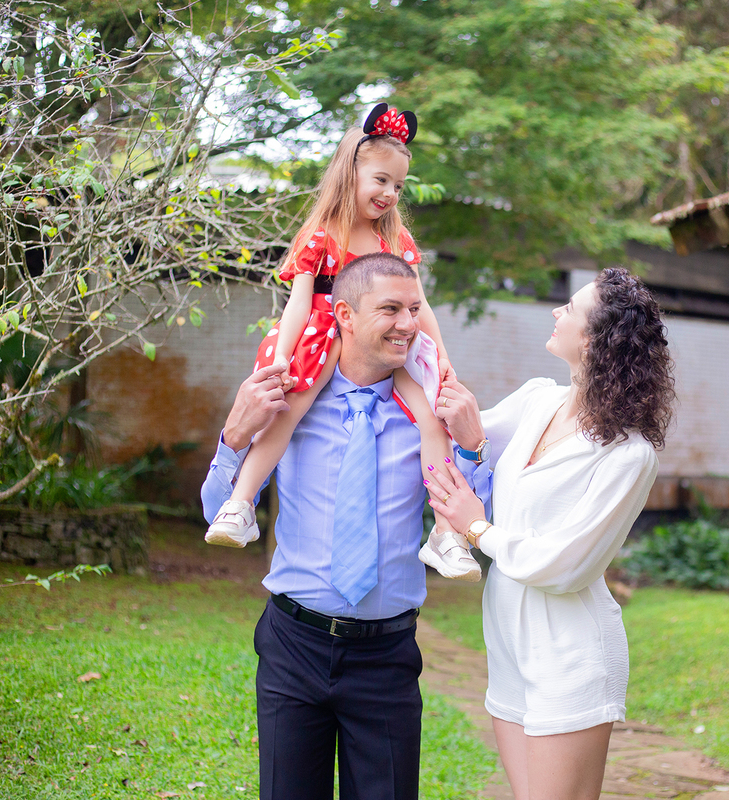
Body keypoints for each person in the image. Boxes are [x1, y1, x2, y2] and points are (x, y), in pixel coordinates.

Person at [201, 252, 492, 800]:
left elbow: (480, 520)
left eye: (414, 309)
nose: (408, 324)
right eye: (390, 309)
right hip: (292, 646)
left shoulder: (430, 412)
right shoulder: (289, 402)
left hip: (387, 657)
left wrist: (474, 446)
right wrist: (233, 437)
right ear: (344, 315)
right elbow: (215, 512)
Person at [421, 268, 676, 800]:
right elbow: (456, 430)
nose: (556, 312)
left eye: (570, 308)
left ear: (594, 339)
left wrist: (477, 527)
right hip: (509, 645)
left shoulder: (629, 455)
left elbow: (567, 566)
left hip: (570, 655)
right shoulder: (538, 400)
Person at [205, 103, 479, 583]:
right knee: (287, 408)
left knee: (432, 417)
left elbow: (421, 306)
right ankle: (240, 503)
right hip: (323, 333)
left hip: (388, 340)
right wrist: (282, 357)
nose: (390, 193)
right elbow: (298, 304)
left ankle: (444, 531)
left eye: (398, 186)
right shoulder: (321, 235)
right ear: (350, 173)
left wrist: (442, 358)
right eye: (381, 180)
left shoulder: (395, 240)